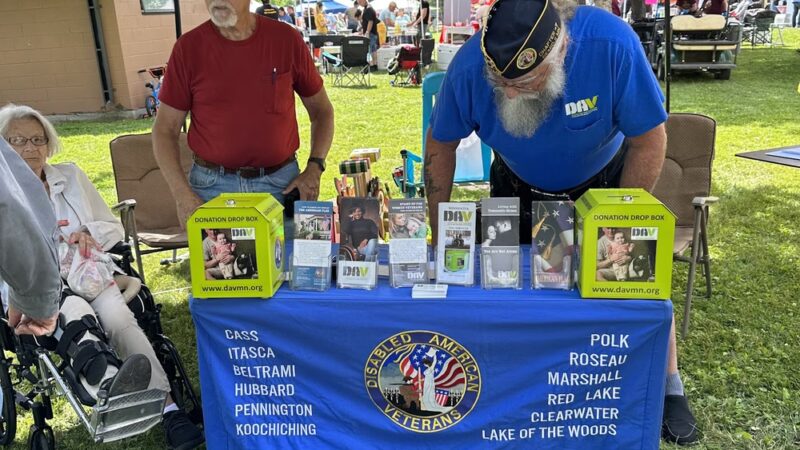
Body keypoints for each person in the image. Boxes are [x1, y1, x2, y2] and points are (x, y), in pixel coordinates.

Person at [423, 0, 698, 444]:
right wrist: (438, 232)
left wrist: (616, 218)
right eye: (502, 83)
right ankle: (518, 377)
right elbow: (440, 145)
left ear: (563, 49)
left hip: (601, 184)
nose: (511, 94)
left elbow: (649, 139)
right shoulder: (471, 63)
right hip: (518, 185)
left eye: (527, 81)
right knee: (510, 284)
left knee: (629, 280)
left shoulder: (612, 45)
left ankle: (668, 386)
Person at [0, 104, 204, 449]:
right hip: (39, 287)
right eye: (16, 140)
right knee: (76, 310)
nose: (30, 148)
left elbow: (111, 228)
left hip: (88, 271)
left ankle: (169, 411)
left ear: (49, 144)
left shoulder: (71, 177)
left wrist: (86, 233)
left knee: (120, 319)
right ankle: (110, 382)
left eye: (38, 139)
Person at [153, 0, 334, 232]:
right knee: (220, 267)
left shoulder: (285, 40)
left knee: (291, 267)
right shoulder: (189, 48)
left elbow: (322, 111)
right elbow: (165, 130)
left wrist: (315, 167)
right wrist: (181, 194)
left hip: (282, 186)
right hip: (211, 189)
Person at [357, 0, 380, 71]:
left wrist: (367, 32)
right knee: (373, 50)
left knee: (368, 50)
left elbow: (370, 21)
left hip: (371, 33)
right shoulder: (368, 8)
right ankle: (374, 65)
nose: (359, 4)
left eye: (360, 2)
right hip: (373, 33)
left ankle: (372, 65)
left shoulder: (368, 9)